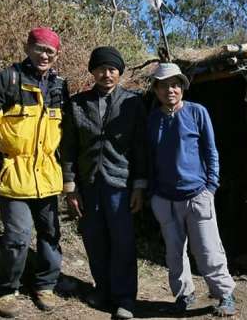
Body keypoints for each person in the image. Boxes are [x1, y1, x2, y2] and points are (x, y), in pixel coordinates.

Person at [0, 27, 68, 318]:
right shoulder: (7, 80)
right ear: (28, 47)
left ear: (56, 55)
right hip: (14, 174)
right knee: (18, 236)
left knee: (50, 235)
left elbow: (68, 134)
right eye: (40, 48)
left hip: (48, 175)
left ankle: (45, 286)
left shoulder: (60, 87)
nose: (45, 55)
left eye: (50, 51)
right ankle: (7, 289)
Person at [60, 46, 147, 320]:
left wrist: (140, 187)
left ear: (119, 73)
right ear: (92, 72)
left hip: (120, 185)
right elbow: (69, 147)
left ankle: (125, 298)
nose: (106, 74)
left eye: (111, 69)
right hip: (88, 184)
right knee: (94, 239)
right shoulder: (77, 104)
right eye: (100, 69)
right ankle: (103, 288)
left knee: (122, 242)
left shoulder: (133, 103)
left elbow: (141, 148)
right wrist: (70, 186)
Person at [147, 63, 237, 317]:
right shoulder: (153, 120)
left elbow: (211, 151)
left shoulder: (197, 112)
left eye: (175, 84)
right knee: (174, 253)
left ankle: (225, 294)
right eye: (163, 85)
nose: (170, 90)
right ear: (155, 90)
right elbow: (149, 158)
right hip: (165, 198)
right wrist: (153, 194)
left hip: (197, 195)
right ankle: (184, 295)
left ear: (183, 87)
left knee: (208, 250)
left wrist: (211, 187)